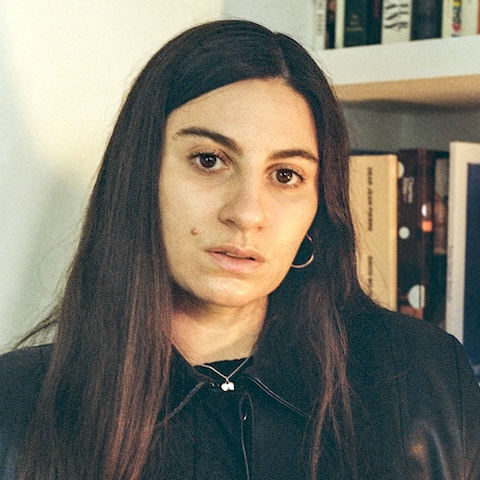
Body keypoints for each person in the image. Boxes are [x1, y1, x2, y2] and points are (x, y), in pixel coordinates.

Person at [0, 19, 479, 480]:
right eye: (209, 161)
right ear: (140, 177)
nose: (247, 213)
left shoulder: (425, 378)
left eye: (286, 175)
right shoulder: (16, 404)